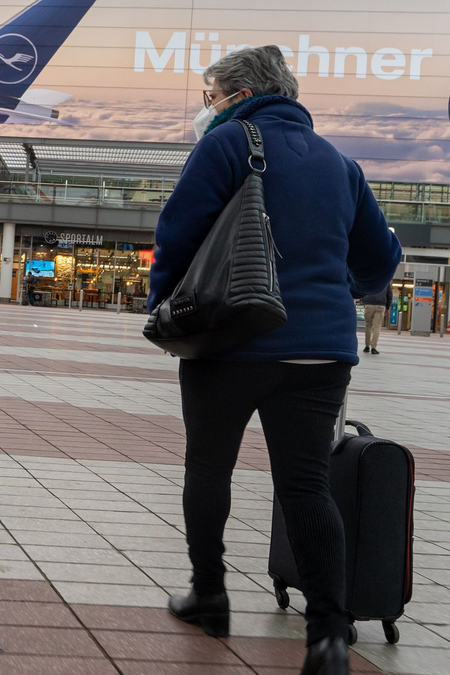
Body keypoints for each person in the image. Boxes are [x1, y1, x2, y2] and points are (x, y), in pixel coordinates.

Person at [148, 46, 400, 675]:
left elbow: (178, 233)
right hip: (321, 351)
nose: (208, 108)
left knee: (209, 469)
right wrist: (332, 281)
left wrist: (161, 308)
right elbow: (378, 263)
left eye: (210, 96)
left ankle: (210, 593)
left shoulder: (229, 144)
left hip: (230, 341)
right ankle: (330, 637)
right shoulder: (342, 164)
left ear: (236, 94)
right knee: (307, 484)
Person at [362, 285, 392, 355]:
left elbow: (362, 290)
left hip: (369, 304)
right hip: (380, 305)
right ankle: (373, 347)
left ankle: (367, 346)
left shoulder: (369, 278)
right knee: (377, 326)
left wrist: (364, 301)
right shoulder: (385, 280)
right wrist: (387, 307)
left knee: (368, 325)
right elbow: (389, 295)